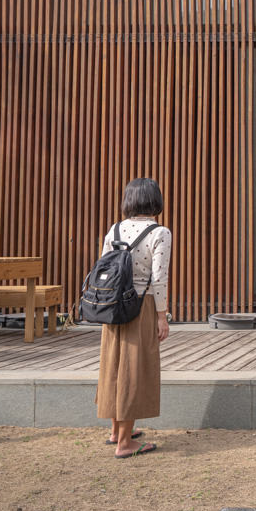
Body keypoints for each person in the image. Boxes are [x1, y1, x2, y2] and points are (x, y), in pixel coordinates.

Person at [95, 177, 172, 458]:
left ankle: (116, 430)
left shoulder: (115, 229)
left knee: (113, 366)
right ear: (154, 200)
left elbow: (103, 268)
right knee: (133, 369)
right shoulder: (159, 232)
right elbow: (159, 279)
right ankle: (125, 444)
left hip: (112, 305)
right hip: (141, 305)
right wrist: (162, 316)